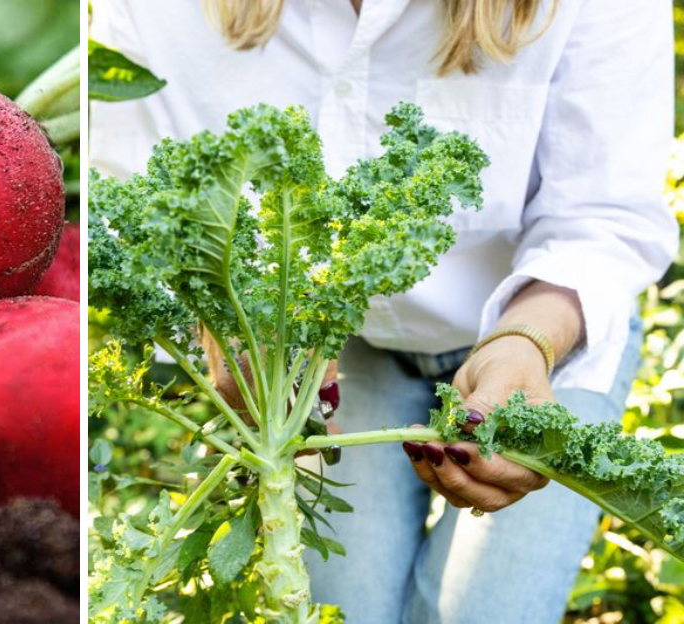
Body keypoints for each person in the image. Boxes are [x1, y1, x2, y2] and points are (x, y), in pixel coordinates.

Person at [89, 0, 677, 622]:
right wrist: (225, 318)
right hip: (340, 357)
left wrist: (525, 340)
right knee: (350, 607)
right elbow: (127, 202)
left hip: (543, 336)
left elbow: (603, 219)